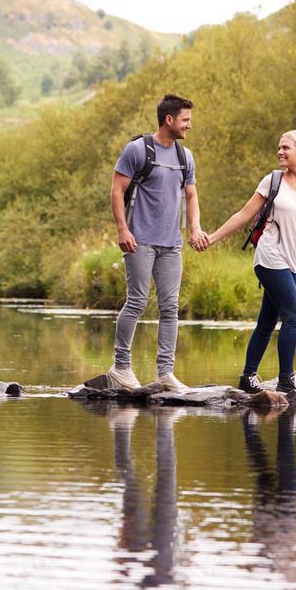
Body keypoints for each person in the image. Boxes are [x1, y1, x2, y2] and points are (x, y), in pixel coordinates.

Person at [205, 130, 296, 395]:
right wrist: (212, 238)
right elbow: (243, 215)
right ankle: (287, 378)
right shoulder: (272, 181)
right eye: (279, 147)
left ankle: (247, 377)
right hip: (270, 257)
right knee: (293, 315)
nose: (280, 152)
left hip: (294, 262)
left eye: (285, 148)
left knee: (267, 322)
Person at [90, 93, 209, 391]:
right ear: (169, 120)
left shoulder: (185, 157)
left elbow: (191, 195)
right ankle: (120, 367)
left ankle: (165, 374)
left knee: (170, 307)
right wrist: (122, 229)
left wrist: (195, 228)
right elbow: (116, 191)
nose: (189, 126)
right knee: (137, 301)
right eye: (185, 120)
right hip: (139, 240)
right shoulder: (136, 150)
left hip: (172, 244)